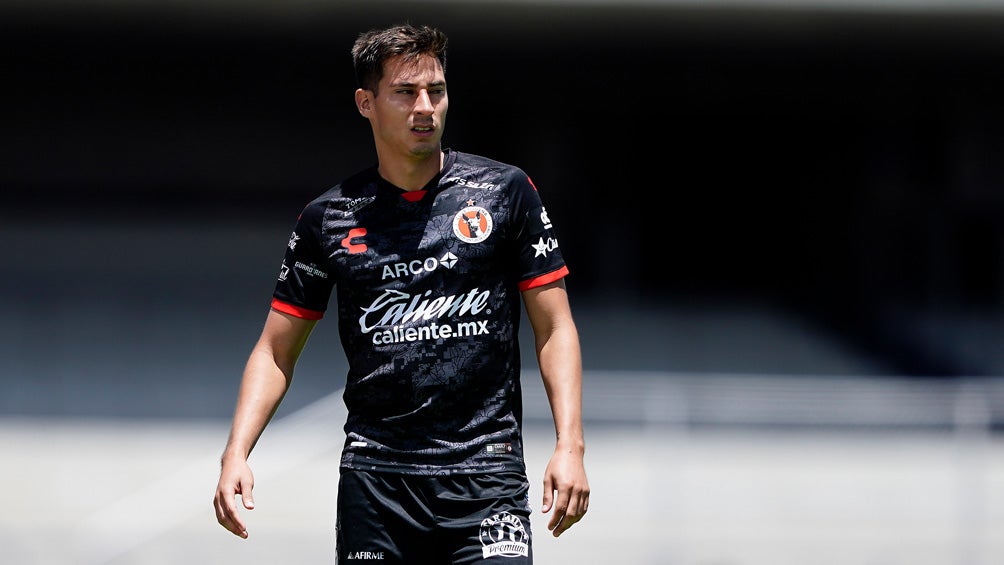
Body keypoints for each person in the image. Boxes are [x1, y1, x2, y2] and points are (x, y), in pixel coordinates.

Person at [213, 22, 589, 563]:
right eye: (406, 92)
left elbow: (555, 328)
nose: (425, 107)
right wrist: (236, 453)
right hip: (376, 480)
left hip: (487, 474)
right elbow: (275, 352)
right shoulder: (330, 218)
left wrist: (569, 444)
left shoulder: (506, 192)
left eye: (435, 91)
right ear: (366, 103)